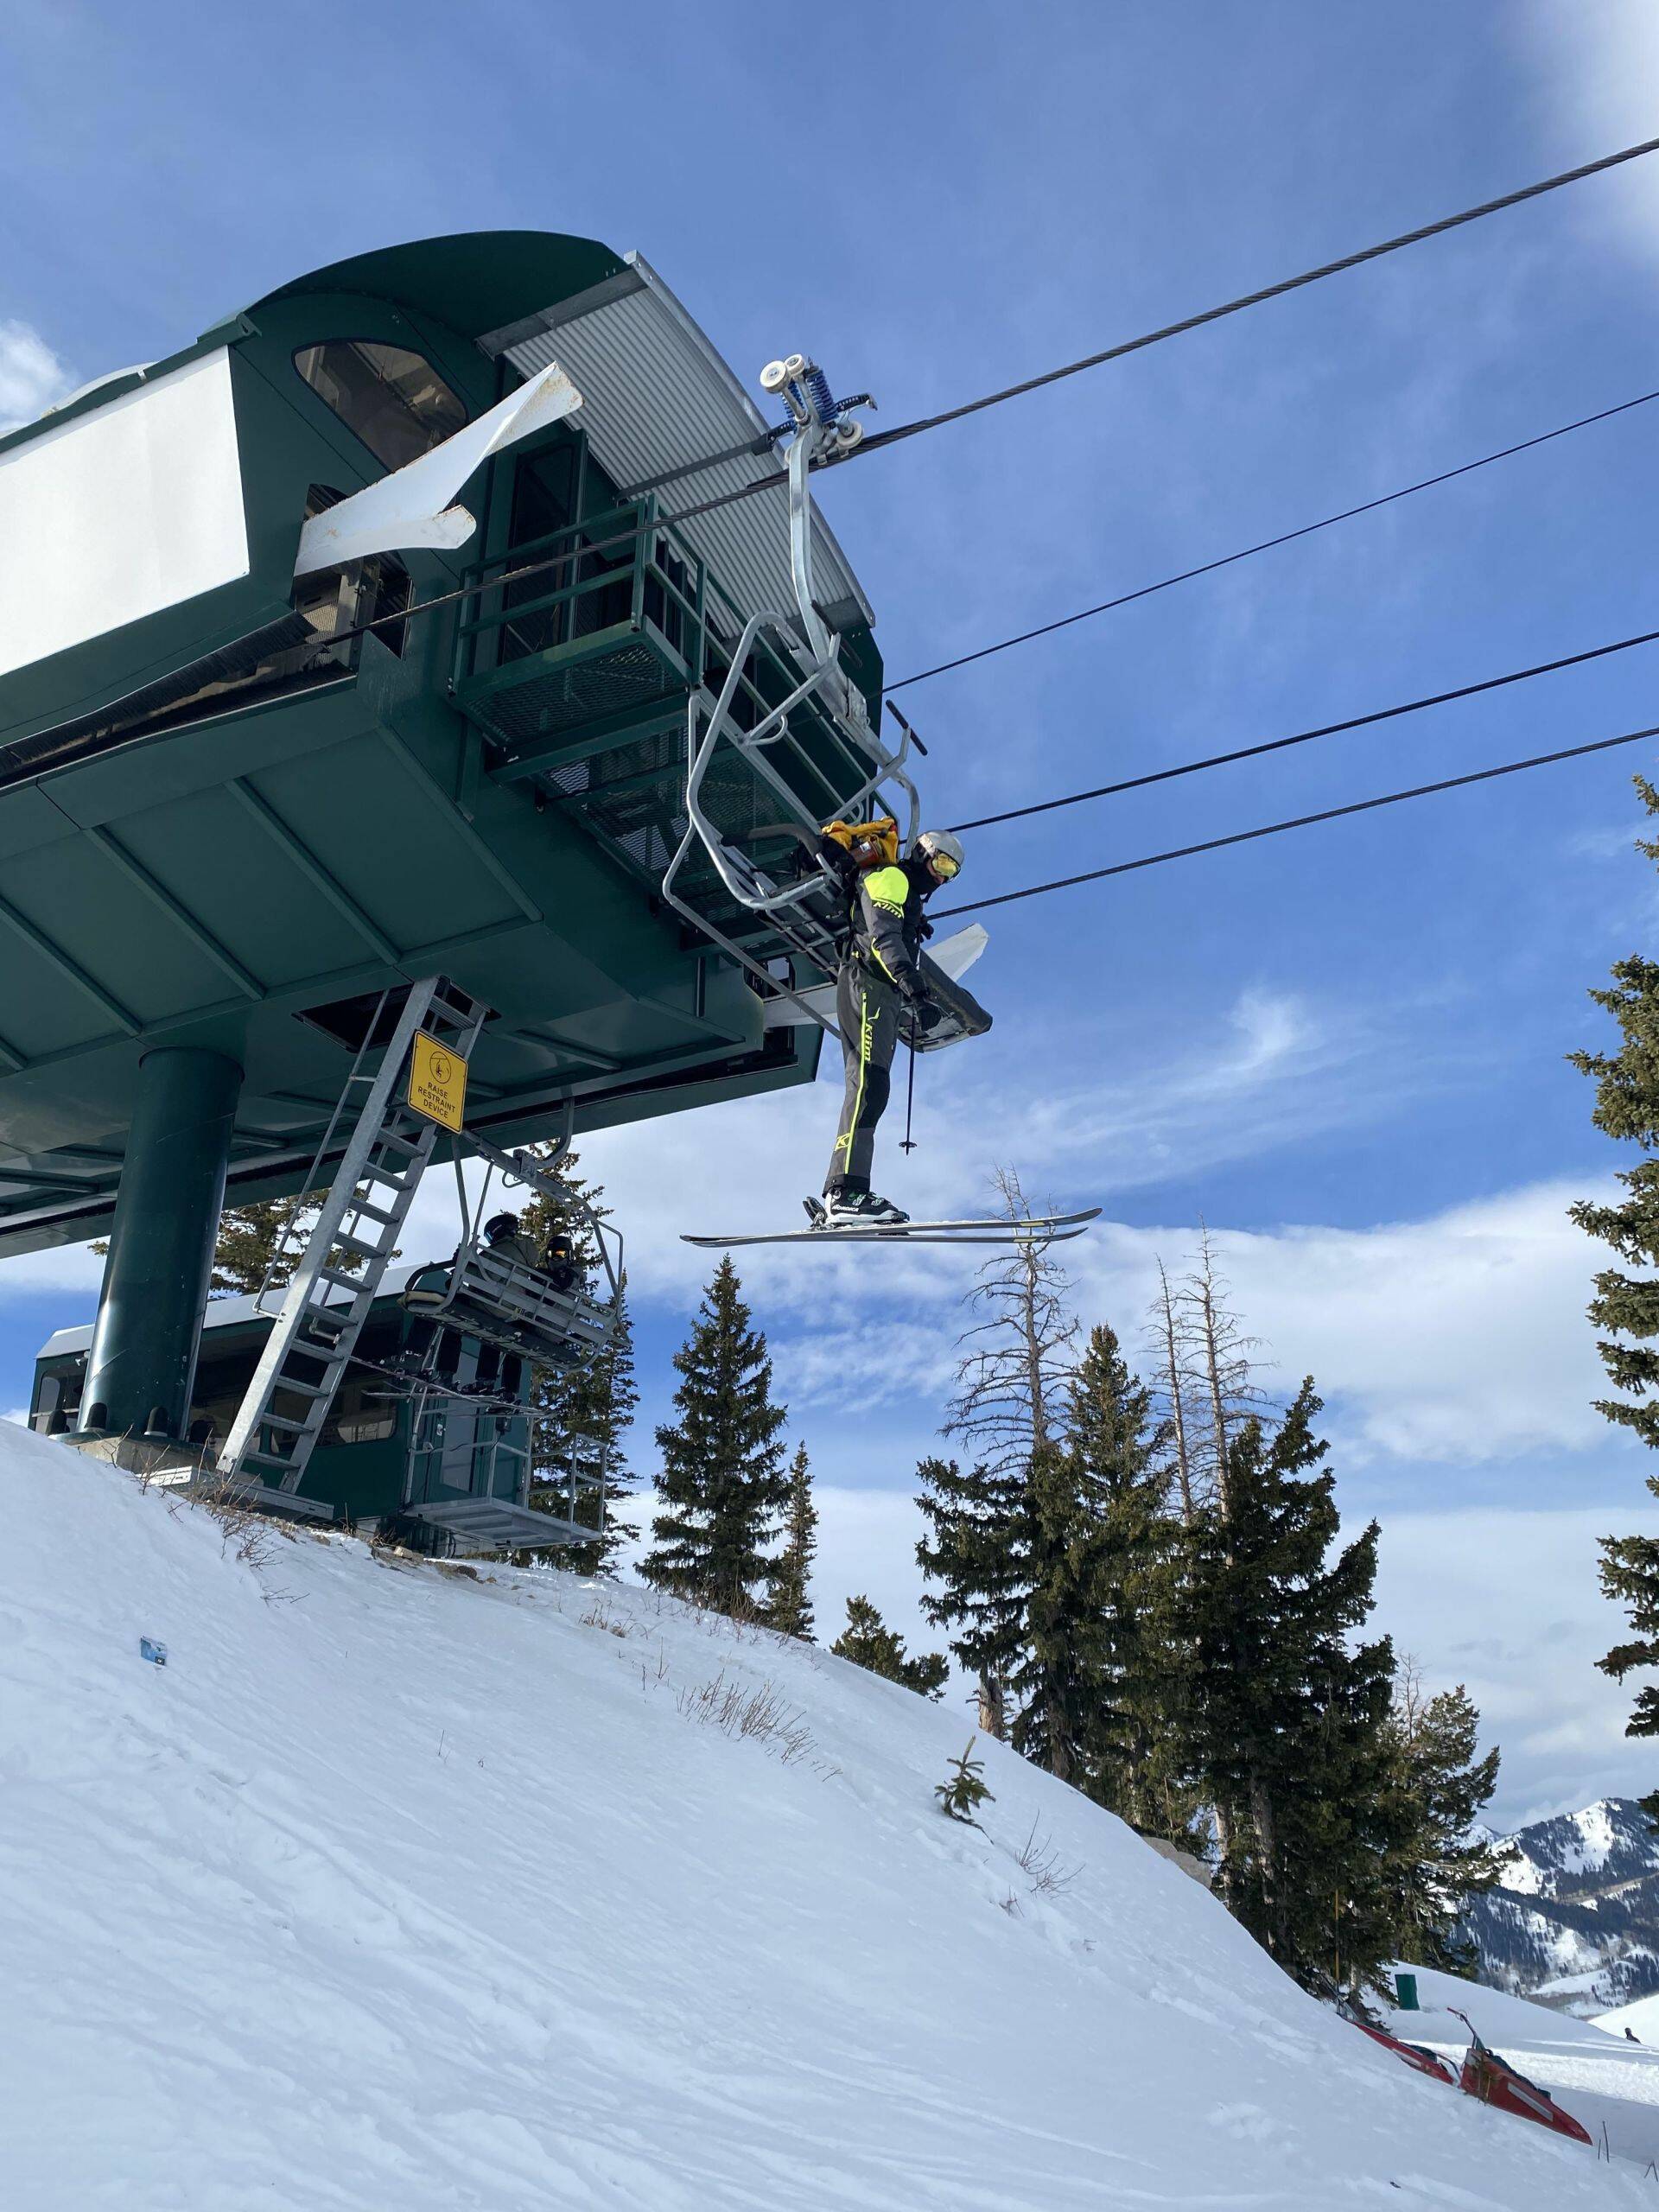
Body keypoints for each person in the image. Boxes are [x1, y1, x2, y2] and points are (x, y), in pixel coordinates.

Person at [811, 823, 966, 1226]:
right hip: (870, 983)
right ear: (923, 852)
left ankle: (844, 1189)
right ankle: (845, 1192)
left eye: (951, 872)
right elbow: (882, 936)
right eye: (942, 862)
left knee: (870, 1085)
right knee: (868, 1084)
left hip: (878, 990)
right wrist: (914, 986)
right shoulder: (892, 877)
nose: (942, 875)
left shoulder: (906, 891)